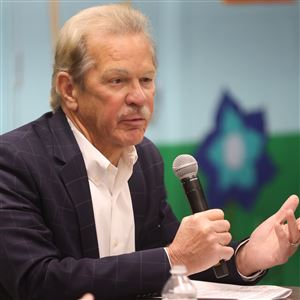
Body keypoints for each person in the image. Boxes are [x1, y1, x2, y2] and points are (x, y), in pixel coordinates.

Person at [0, 3, 299, 300]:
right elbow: (36, 281)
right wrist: (174, 256)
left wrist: (247, 257)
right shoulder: (16, 160)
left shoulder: (144, 158)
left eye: (146, 80)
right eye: (117, 80)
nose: (139, 97)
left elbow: (176, 261)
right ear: (69, 89)